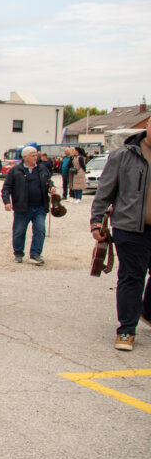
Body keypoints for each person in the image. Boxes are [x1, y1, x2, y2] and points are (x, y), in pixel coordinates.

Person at [90, 115, 151, 351]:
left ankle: (147, 310)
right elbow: (104, 192)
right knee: (132, 277)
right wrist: (96, 222)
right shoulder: (123, 156)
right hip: (130, 228)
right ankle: (126, 330)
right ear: (147, 126)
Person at [1, 146, 55, 265]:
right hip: (22, 207)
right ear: (25, 157)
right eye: (33, 155)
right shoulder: (15, 170)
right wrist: (7, 202)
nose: (36, 157)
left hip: (40, 206)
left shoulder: (42, 169)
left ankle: (35, 254)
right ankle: (18, 253)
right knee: (19, 231)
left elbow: (49, 181)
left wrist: (51, 187)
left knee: (40, 230)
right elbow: (6, 187)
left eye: (36, 155)